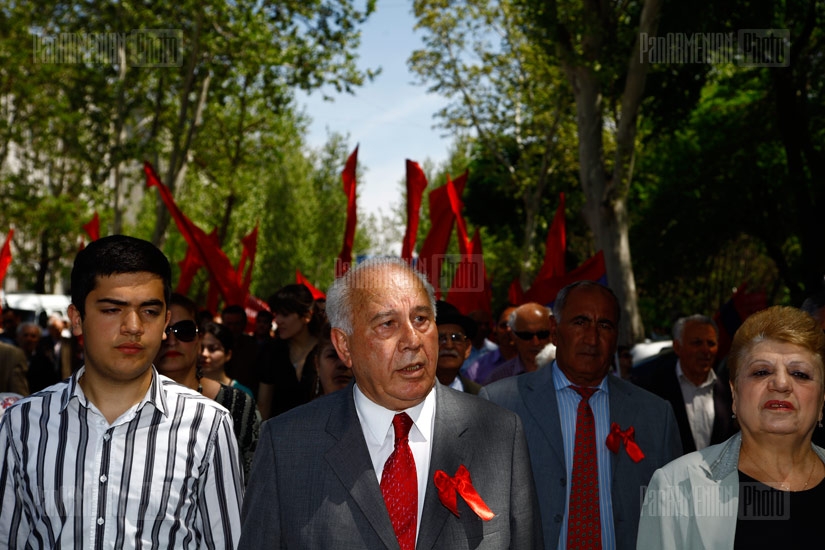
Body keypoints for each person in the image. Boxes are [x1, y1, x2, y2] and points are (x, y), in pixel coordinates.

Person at [239, 258, 543, 549]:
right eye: (387, 324)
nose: (413, 339)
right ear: (344, 345)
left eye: (421, 319)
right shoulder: (288, 444)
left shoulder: (502, 433)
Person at [0, 234, 243, 548]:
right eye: (113, 310)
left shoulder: (206, 425)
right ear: (76, 319)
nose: (133, 326)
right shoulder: (23, 424)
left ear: (166, 321)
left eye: (150, 312)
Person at [481, 280, 682, 549]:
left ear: (616, 337)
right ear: (554, 330)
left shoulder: (656, 415)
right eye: (580, 322)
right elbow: (483, 513)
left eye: (605, 326)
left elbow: (674, 516)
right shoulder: (501, 403)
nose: (592, 337)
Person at [638, 305, 825, 548]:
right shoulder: (675, 487)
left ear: (822, 401)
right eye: (761, 371)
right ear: (734, 395)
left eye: (800, 374)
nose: (780, 383)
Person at [157, 293, 260, 480]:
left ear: (199, 339)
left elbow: (256, 482)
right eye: (162, 331)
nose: (171, 340)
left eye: (184, 330)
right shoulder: (127, 405)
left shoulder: (237, 405)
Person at [632, 314, 737, 454]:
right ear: (677, 347)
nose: (706, 350)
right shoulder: (653, 389)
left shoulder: (729, 393)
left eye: (711, 343)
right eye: (697, 343)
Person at [257, 284, 321, 419]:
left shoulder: (327, 351)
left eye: (285, 315)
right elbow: (264, 405)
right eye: (276, 314)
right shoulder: (272, 351)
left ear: (307, 316)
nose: (278, 320)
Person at [485, 302, 554, 384]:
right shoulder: (498, 379)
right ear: (514, 336)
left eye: (542, 334)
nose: (536, 342)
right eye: (526, 335)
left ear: (553, 333)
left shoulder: (569, 372)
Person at [435, 300, 482, 394]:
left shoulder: (480, 395)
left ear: (467, 348)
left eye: (456, 338)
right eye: (440, 338)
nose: (449, 345)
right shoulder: (404, 395)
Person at [463, 304, 517, 384]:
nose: (508, 330)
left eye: (514, 325)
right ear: (495, 329)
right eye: (504, 325)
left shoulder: (537, 363)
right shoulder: (476, 369)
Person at [200, 321, 255, 397]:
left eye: (213, 349)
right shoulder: (187, 386)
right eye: (201, 348)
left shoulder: (242, 394)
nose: (204, 354)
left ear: (228, 354)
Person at [310, 322, 353, 399]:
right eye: (332, 356)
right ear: (317, 364)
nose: (342, 363)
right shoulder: (304, 411)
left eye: (350, 355)